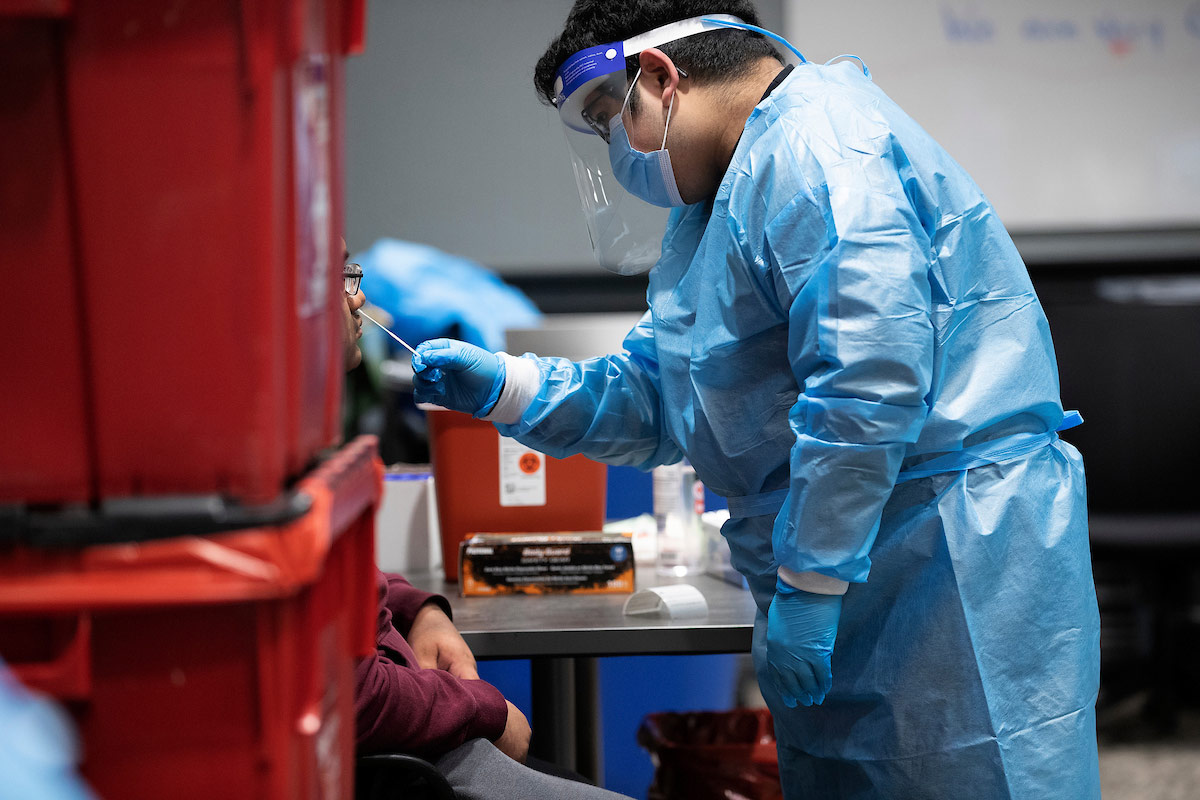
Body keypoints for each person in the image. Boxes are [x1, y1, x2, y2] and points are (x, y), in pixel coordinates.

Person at [409, 3, 1102, 798]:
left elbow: (866, 386)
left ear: (662, 78)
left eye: (611, 118)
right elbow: (664, 396)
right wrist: (509, 388)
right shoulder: (715, 207)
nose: (616, 149)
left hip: (949, 567)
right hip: (854, 572)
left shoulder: (823, 151)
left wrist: (810, 589)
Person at [338, 246, 633, 800]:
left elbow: (351, 583)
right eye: (339, 276)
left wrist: (418, 610)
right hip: (406, 764)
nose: (359, 296)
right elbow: (356, 696)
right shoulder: (267, 473)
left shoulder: (311, 454)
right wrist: (485, 709)